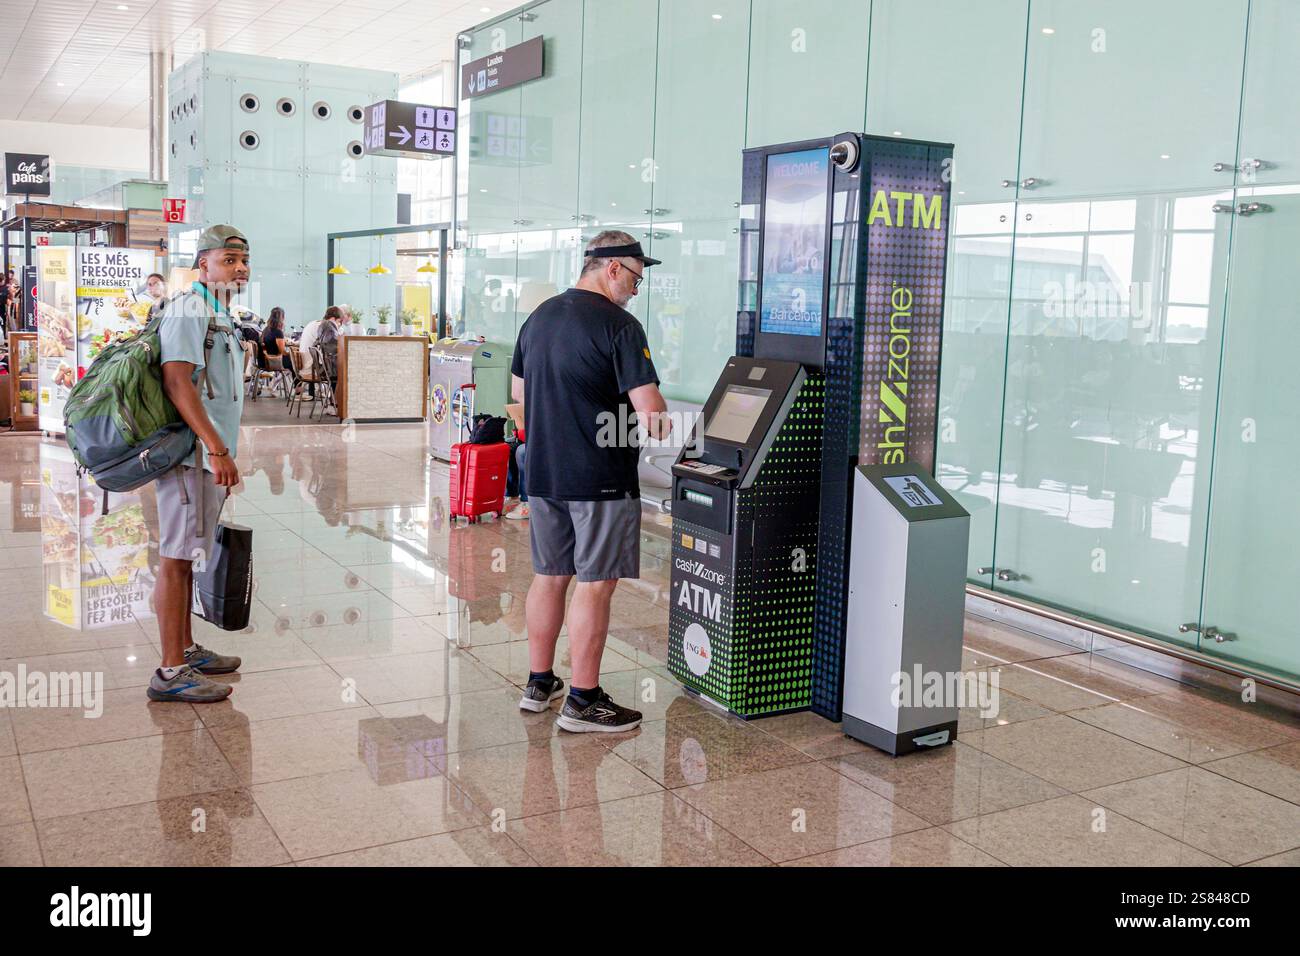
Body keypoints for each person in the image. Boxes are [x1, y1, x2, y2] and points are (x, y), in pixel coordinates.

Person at [511, 230, 670, 732]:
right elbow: (652, 413)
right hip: (600, 479)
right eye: (637, 279)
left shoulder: (538, 318)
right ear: (613, 268)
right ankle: (583, 699)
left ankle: (539, 684)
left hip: (542, 471)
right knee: (596, 586)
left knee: (550, 575)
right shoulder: (621, 326)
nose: (636, 290)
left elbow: (517, 397)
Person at [148, 224, 249, 704]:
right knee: (174, 557)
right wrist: (216, 448)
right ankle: (169, 672)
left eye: (243, 259)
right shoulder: (190, 308)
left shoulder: (217, 312)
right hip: (191, 456)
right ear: (203, 265)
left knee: (189, 555)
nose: (240, 267)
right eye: (229, 260)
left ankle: (184, 648)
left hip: (205, 456)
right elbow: (177, 382)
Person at [298, 305, 341, 401]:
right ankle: (336, 403)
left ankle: (330, 398)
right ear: (333, 319)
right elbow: (331, 348)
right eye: (339, 322)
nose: (338, 326)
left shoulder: (315, 323)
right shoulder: (325, 327)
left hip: (305, 362)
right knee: (338, 370)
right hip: (311, 367)